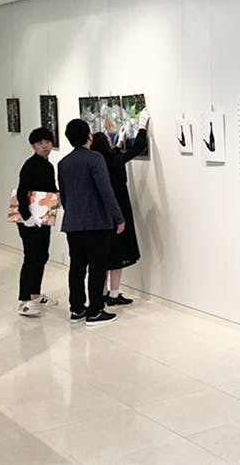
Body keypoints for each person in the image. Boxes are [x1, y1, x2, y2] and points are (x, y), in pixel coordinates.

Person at [57, 118, 125, 327]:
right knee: (97, 268)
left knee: (76, 268)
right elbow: (105, 191)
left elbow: (64, 195)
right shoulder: (95, 158)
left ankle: (77, 309)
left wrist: (73, 213)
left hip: (73, 223)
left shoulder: (63, 163)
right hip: (97, 223)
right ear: (89, 136)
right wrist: (118, 217)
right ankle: (95, 311)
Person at [89, 108, 150, 306]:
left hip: (101, 213)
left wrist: (118, 144)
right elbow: (138, 147)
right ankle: (114, 294)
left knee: (104, 255)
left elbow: (112, 156)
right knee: (118, 254)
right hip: (119, 210)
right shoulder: (114, 161)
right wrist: (142, 126)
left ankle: (104, 292)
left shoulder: (96, 164)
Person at [15, 127, 59, 317]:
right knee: (32, 257)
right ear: (33, 146)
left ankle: (35, 294)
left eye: (47, 142)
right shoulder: (30, 165)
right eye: (40, 143)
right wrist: (27, 217)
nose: (45, 146)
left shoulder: (47, 165)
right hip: (30, 219)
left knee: (41, 255)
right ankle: (25, 301)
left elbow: (50, 189)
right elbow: (21, 192)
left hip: (43, 217)